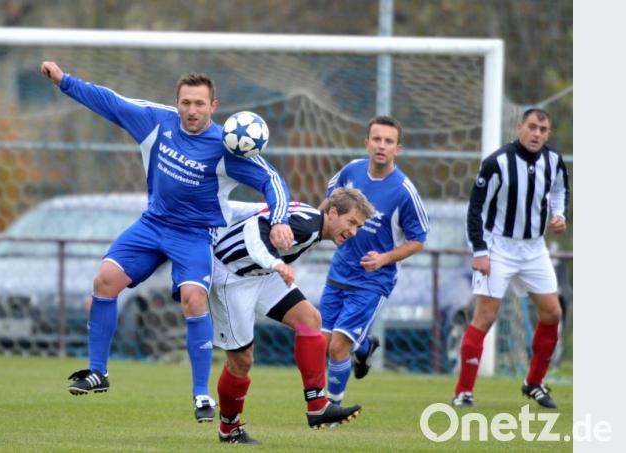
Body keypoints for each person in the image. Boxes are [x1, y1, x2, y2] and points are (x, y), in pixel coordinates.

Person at [40, 62, 295, 422]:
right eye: (186, 102)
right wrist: (65, 82)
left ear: (213, 106)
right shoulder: (157, 122)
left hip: (194, 234)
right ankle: (98, 372)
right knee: (105, 281)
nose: (192, 110)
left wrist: (280, 220)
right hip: (153, 224)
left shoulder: (227, 147)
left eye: (199, 104)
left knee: (193, 299)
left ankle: (201, 395)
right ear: (177, 103)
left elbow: (272, 179)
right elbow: (110, 102)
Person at [210, 188, 375, 444]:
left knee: (310, 319)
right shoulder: (307, 225)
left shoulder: (310, 223)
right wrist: (276, 265)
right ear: (332, 213)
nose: (353, 231)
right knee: (241, 361)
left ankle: (317, 406)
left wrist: (220, 204)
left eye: (358, 227)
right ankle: (229, 428)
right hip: (231, 278)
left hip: (260, 276)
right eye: (351, 222)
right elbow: (254, 230)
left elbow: (259, 211)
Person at [453, 108, 569, 409]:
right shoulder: (497, 163)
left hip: (534, 248)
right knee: (486, 317)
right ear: (520, 127)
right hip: (498, 247)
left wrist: (559, 215)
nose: (537, 134)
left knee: (552, 313)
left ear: (548, 133)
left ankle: (534, 383)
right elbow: (475, 208)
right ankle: (463, 391)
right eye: (532, 127)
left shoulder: (554, 161)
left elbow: (559, 191)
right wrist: (479, 251)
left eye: (543, 130)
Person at [321, 116, 430, 407]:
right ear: (367, 143)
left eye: (389, 141)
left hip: (372, 280)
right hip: (339, 271)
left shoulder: (404, 191)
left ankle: (331, 410)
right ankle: (365, 347)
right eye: (377, 139)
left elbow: (418, 240)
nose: (382, 146)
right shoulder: (351, 171)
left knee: (338, 346)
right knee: (322, 345)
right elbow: (330, 202)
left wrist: (384, 258)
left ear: (398, 149)